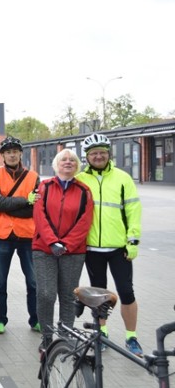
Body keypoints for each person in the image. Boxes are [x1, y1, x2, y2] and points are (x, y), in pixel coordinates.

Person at [76, 134, 143, 356]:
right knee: (99, 294)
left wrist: (133, 240)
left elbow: (133, 211)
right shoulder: (80, 179)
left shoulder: (123, 178)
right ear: (87, 156)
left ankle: (131, 337)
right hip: (92, 248)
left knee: (126, 291)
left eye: (102, 152)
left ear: (108, 153)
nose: (98, 156)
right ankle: (101, 332)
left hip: (119, 248)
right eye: (93, 153)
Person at [33, 148, 93, 352]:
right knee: (46, 294)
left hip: (73, 252)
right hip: (44, 249)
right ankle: (47, 337)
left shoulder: (84, 191)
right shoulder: (44, 187)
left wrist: (66, 244)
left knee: (67, 295)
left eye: (72, 160)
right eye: (63, 160)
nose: (68, 162)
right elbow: (39, 215)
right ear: (56, 165)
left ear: (77, 165)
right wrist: (52, 242)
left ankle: (65, 335)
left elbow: (85, 221)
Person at [0, 137, 41, 335]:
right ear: (2, 155)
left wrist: (9, 206)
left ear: (20, 153)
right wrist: (23, 201)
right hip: (3, 234)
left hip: (27, 235)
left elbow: (34, 208)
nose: (12, 154)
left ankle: (36, 319)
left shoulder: (33, 176)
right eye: (8, 151)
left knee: (34, 281)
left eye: (15, 151)